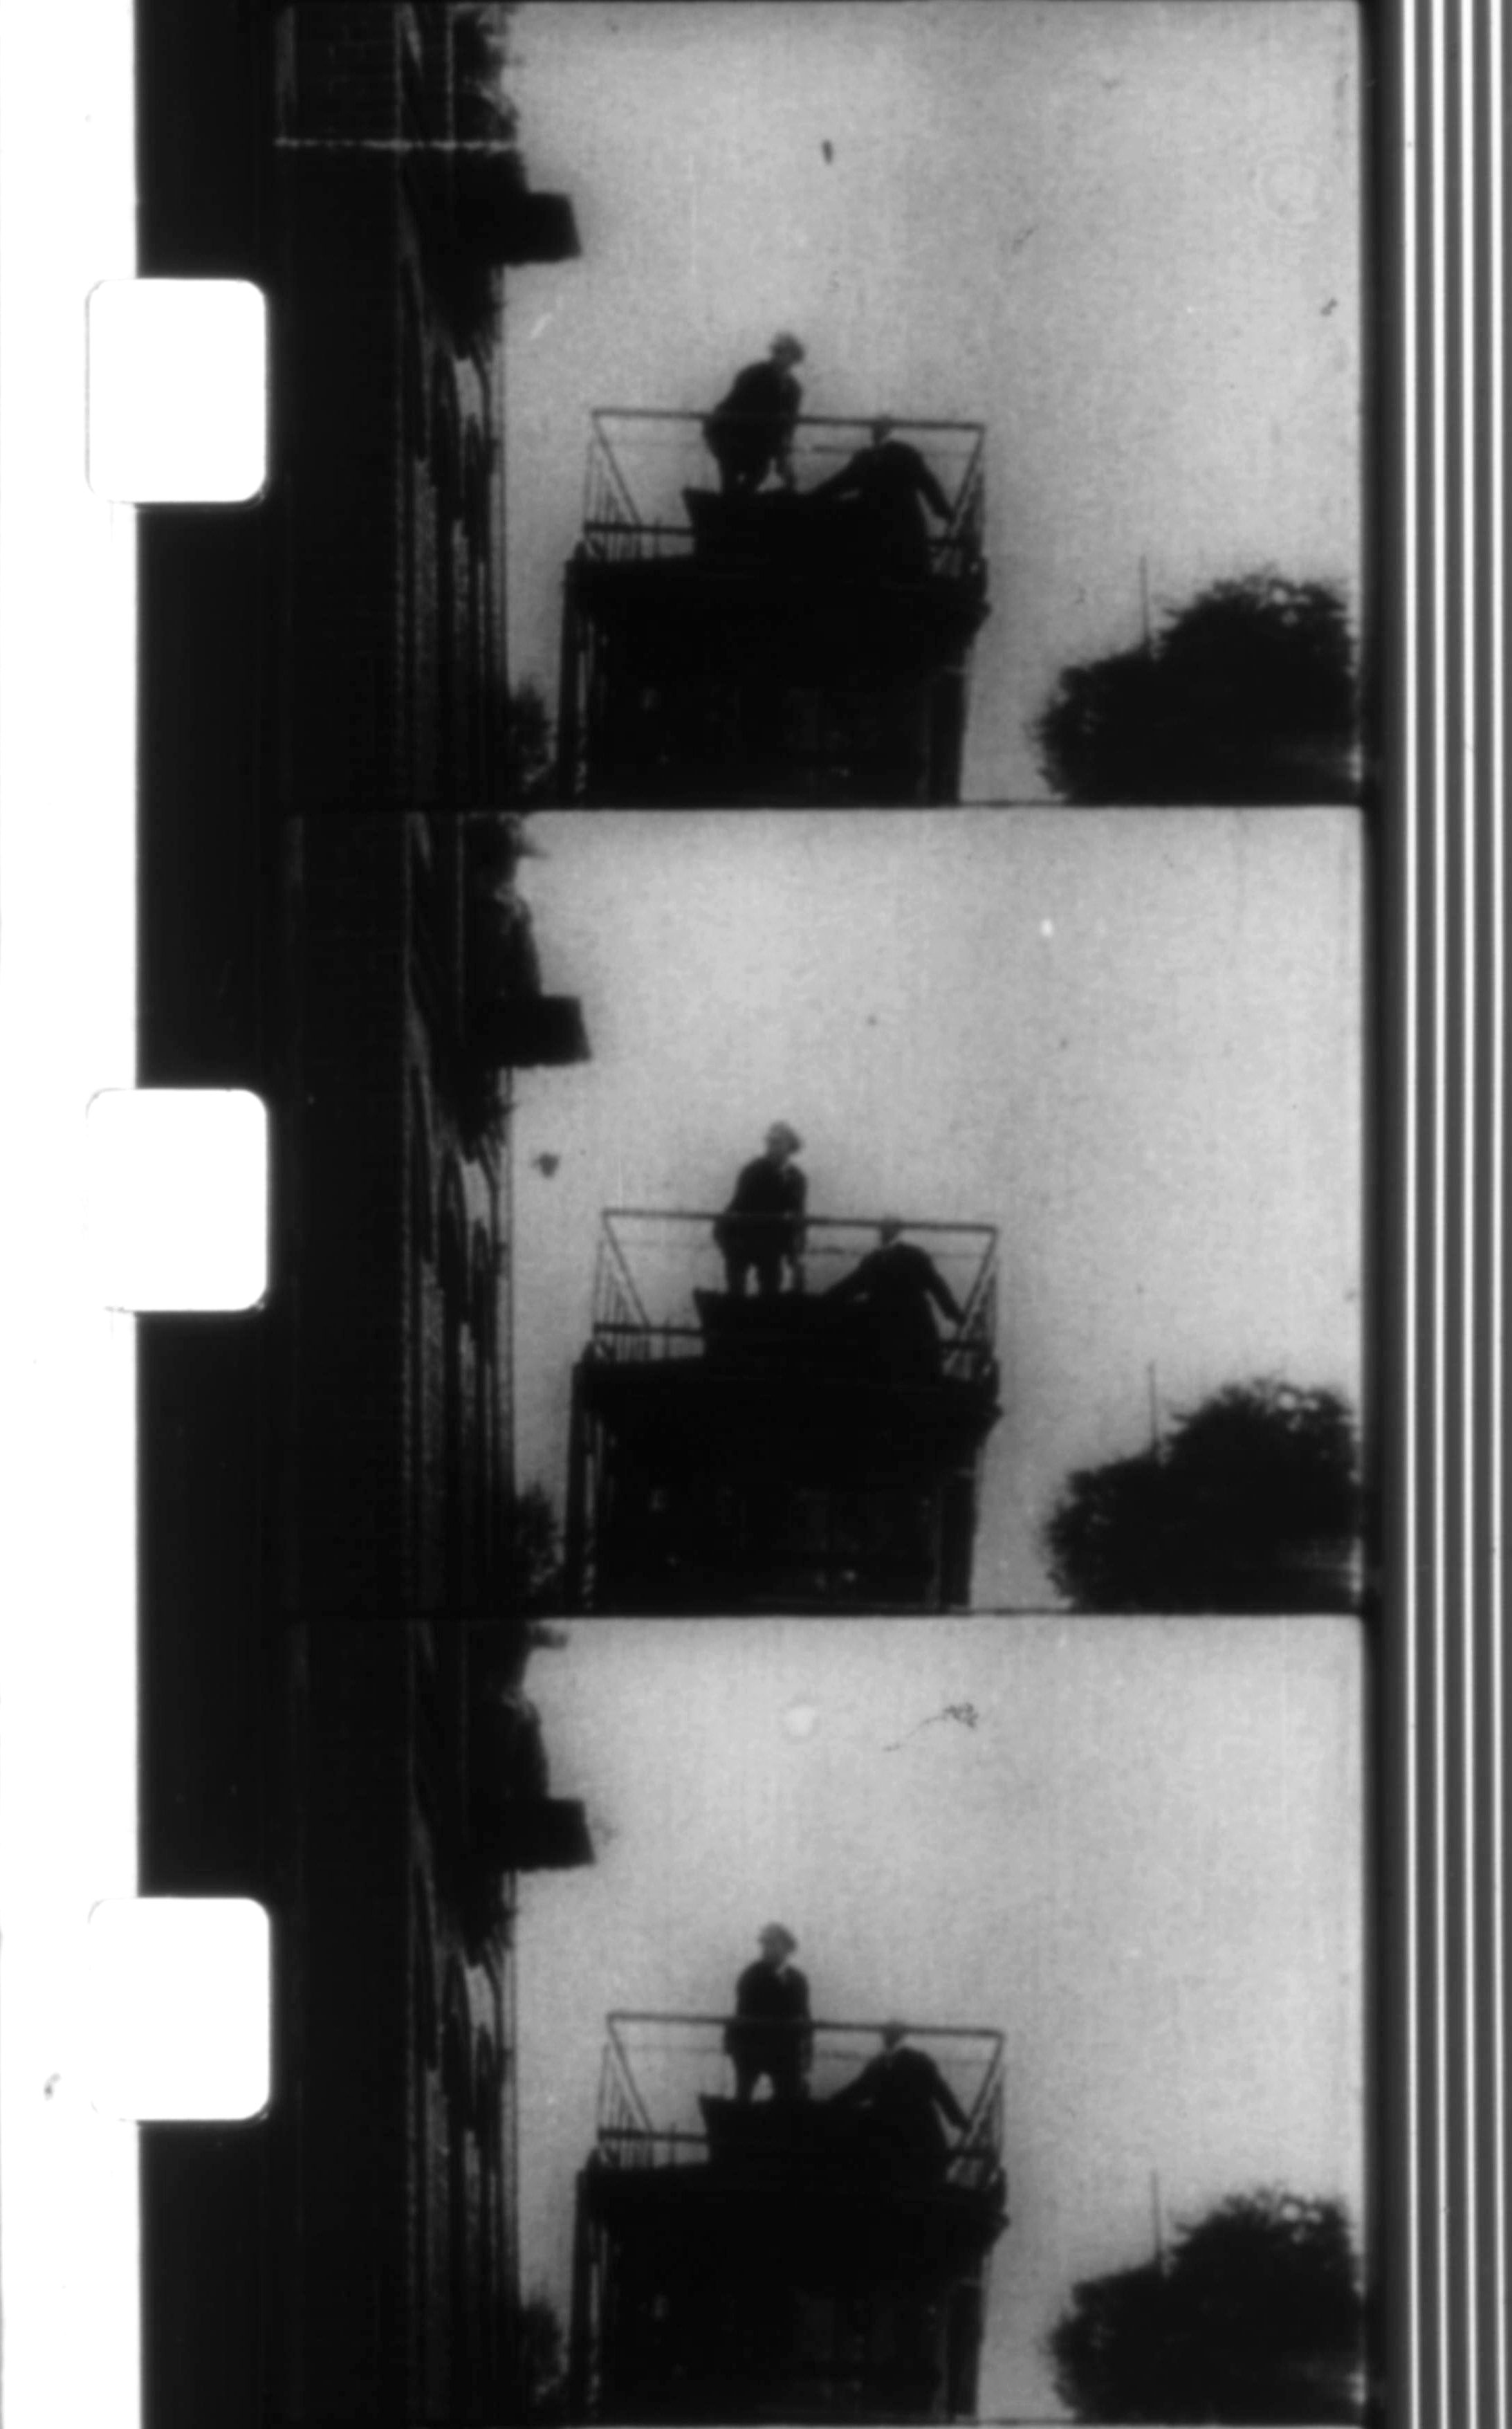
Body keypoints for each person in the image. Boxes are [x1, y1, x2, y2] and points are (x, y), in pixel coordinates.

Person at [810, 416, 952, 580]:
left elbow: (840, 483)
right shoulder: (903, 455)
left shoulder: (870, 459)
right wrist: (944, 511)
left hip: (878, 530)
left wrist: (811, 498)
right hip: (903, 528)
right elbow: (928, 484)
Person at [824, 1218, 962, 1380]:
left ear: (893, 1232)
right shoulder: (899, 1257)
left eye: (886, 1229)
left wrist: (823, 1303)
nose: (882, 1232)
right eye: (883, 1229)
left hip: (897, 1328)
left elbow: (851, 1286)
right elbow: (937, 1287)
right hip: (907, 1328)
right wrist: (955, 1315)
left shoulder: (882, 1260)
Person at [829, 2022, 968, 2177]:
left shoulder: (880, 2065)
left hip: (894, 2139)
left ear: (886, 2039)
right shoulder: (918, 2062)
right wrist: (960, 2121)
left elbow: (857, 2091)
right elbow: (942, 2093)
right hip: (921, 2137)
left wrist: (830, 2105)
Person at [703, 334, 806, 497]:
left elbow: (789, 424)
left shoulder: (793, 388)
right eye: (782, 353)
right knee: (731, 473)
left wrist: (783, 455)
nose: (786, 359)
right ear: (776, 353)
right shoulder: (754, 374)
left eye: (791, 355)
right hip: (731, 433)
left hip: (760, 440)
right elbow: (736, 404)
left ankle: (735, 505)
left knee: (759, 472)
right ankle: (731, 504)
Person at [713, 1124, 807, 1297]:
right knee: (736, 1288)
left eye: (778, 1143)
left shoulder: (797, 1178)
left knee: (771, 1286)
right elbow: (739, 1205)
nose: (772, 1147)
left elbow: (799, 1215)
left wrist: (797, 1254)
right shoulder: (753, 1171)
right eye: (770, 1143)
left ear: (790, 1146)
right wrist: (728, 1240)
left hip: (771, 1240)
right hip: (741, 1236)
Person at [724, 1924, 813, 2100]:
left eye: (773, 1944)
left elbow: (805, 2016)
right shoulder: (751, 1975)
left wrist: (808, 2050)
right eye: (765, 1945)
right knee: (743, 2094)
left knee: (790, 2095)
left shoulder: (798, 1979)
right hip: (753, 2046)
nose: (766, 1949)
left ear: (787, 1948)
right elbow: (744, 2012)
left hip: (785, 2049)